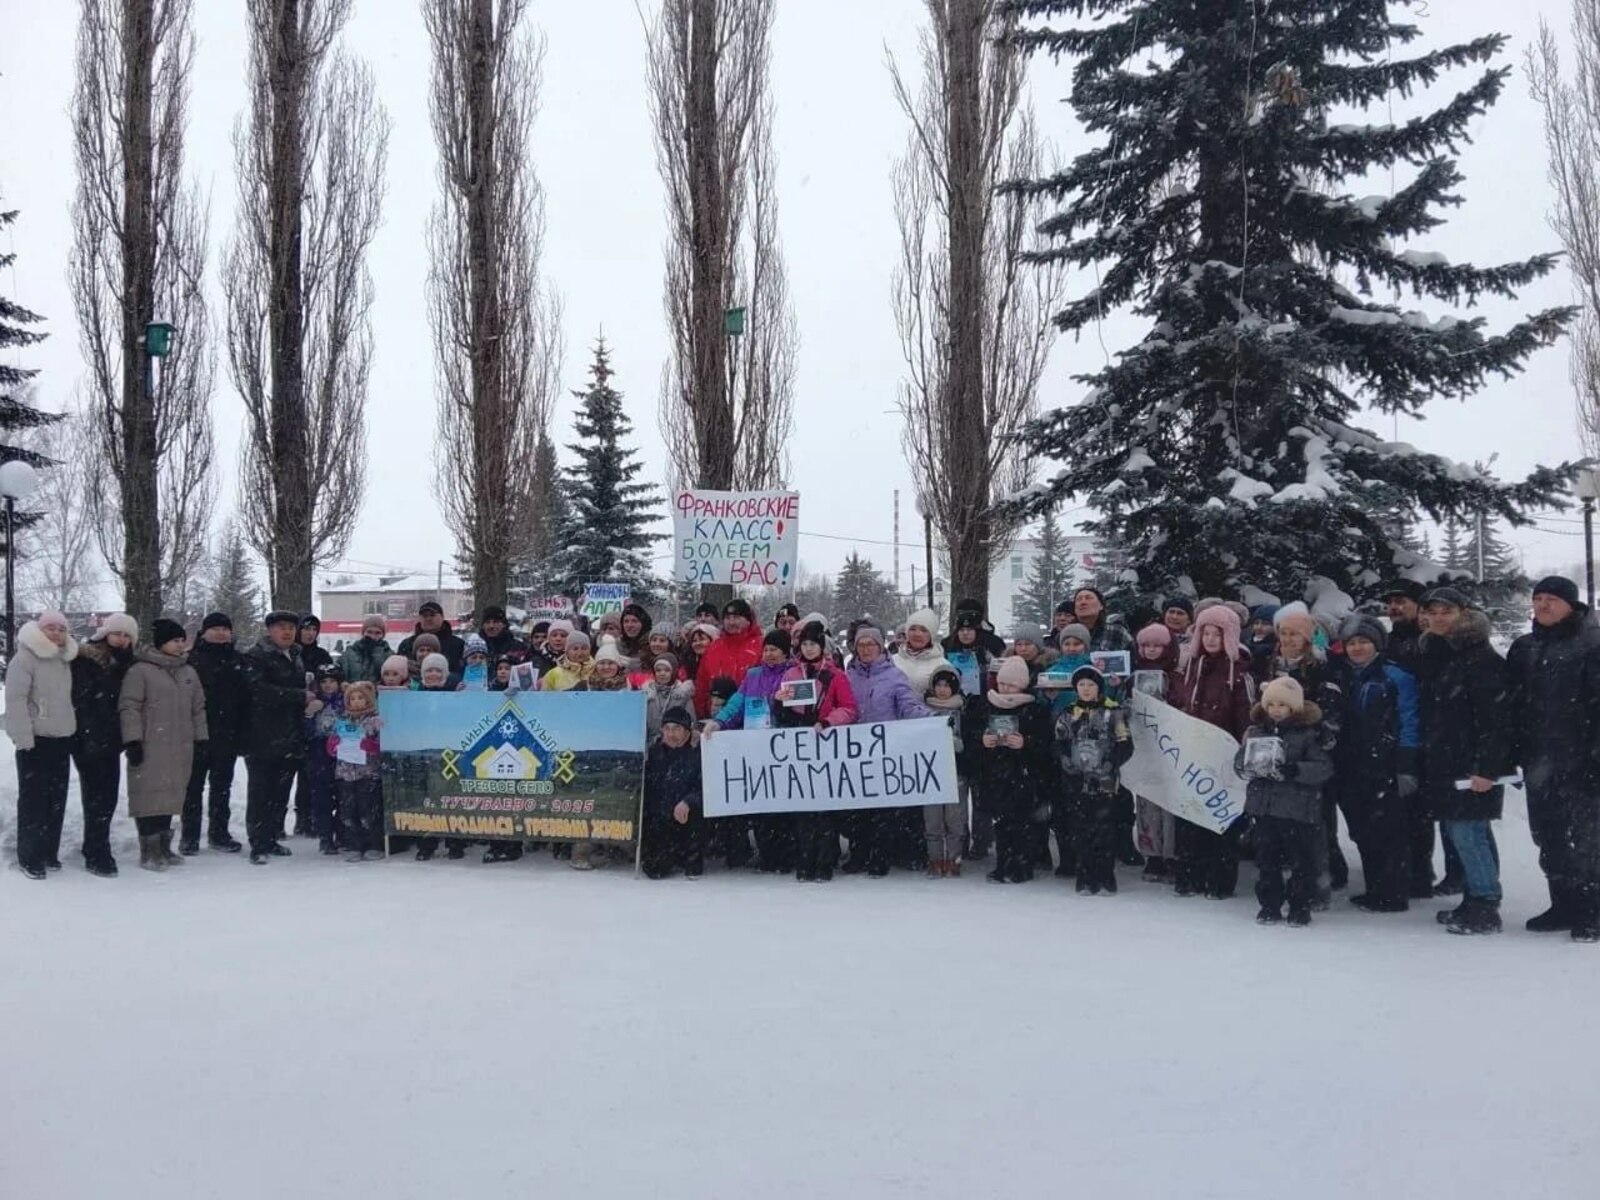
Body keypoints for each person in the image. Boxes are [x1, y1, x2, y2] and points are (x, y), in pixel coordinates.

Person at [1506, 576, 1600, 942]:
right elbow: (1511, 707)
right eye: (1538, 598)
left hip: (1583, 762)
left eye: (1552, 599)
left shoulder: (1592, 645)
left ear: (1570, 604)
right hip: (1539, 761)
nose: (1543, 605)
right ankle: (1562, 904)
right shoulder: (1524, 647)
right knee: (1549, 836)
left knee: (1587, 841)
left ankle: (1591, 910)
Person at [1416, 588, 1512, 935]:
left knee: (1468, 832)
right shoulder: (1440, 653)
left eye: (1447, 611)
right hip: (1448, 760)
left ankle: (1486, 905)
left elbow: (1496, 720)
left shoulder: (1480, 658)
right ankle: (1475, 897)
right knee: (1470, 831)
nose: (1439, 617)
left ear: (1464, 613)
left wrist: (1487, 768)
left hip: (1473, 764)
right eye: (1433, 611)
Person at [1333, 616, 1421, 914]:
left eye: (1363, 642)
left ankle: (1393, 892)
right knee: (1362, 829)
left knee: (1389, 831)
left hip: (1386, 764)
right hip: (1352, 764)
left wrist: (1406, 764)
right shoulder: (1344, 676)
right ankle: (1375, 888)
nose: (1357, 648)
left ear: (1377, 644)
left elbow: (1410, 720)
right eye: (1352, 643)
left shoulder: (1395, 676)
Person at [1236, 677, 1334, 927]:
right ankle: (1269, 905)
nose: (1276, 709)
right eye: (1272, 704)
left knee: (1302, 861)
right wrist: (1246, 765)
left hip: (1297, 810)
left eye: (1283, 704)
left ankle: (1300, 906)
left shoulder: (1309, 734)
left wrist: (1294, 770)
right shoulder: (1256, 732)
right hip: (1264, 809)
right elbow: (1239, 762)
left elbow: (1323, 768)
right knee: (1266, 861)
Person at [1267, 601, 1348, 898]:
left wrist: (1313, 742)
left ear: (1307, 638)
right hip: (1276, 756)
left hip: (1311, 759)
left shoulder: (1321, 669)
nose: (1287, 639)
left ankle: (1322, 880)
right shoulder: (1271, 664)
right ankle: (1296, 877)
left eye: (1294, 634)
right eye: (1283, 633)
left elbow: (1332, 717)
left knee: (1317, 823)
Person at [1172, 604, 1254, 898]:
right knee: (1190, 815)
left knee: (1221, 818)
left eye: (1216, 634)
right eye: (1205, 633)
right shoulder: (1190, 667)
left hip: (1222, 754)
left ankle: (1220, 879)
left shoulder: (1239, 672)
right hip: (1192, 753)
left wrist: (1242, 743)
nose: (1209, 639)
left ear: (1228, 636)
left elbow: (1246, 713)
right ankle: (1190, 874)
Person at [119, 619, 209, 872]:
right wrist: (133, 739)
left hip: (181, 745)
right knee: (149, 796)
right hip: (151, 744)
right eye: (174, 640)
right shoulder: (141, 671)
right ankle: (149, 850)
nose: (180, 645)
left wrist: (201, 738)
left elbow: (198, 709)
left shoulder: (188, 672)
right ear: (161, 643)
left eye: (182, 640)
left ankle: (164, 847)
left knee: (171, 796)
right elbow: (130, 706)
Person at [843, 625, 933, 876]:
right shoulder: (849, 676)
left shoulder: (894, 676)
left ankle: (879, 856)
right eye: (861, 645)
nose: (866, 649)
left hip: (885, 751)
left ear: (880, 646)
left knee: (882, 809)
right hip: (854, 751)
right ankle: (859, 853)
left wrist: (932, 719)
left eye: (871, 644)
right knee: (857, 807)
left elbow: (908, 705)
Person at [775, 621, 859, 882]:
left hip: (825, 744)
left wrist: (827, 721)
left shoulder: (835, 675)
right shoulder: (791, 674)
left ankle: (825, 860)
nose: (809, 649)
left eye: (813, 644)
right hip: (799, 744)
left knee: (824, 809)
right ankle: (805, 859)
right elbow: (783, 709)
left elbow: (848, 708)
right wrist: (778, 702)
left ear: (821, 647)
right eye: (805, 644)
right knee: (803, 810)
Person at [706, 629, 795, 872]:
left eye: (775, 650)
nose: (769, 654)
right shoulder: (753, 675)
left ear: (785, 652)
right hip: (755, 747)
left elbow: (800, 710)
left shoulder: (794, 673)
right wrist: (719, 721)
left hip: (783, 747)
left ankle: (786, 854)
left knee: (783, 804)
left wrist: (781, 703)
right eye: (766, 649)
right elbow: (737, 703)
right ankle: (766, 853)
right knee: (761, 803)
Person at [6, 612, 80, 879]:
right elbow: (15, 700)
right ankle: (30, 856)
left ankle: (49, 851)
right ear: (40, 630)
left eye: (62, 628)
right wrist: (24, 738)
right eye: (51, 627)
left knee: (55, 800)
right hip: (35, 741)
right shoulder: (25, 659)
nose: (57, 633)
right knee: (33, 801)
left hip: (61, 739)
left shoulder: (64, 660)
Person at [972, 656, 1054, 884]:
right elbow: (973, 734)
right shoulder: (986, 705)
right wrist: (983, 740)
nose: (1005, 688)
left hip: (1023, 774)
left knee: (1023, 824)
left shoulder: (1034, 708)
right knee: (1002, 823)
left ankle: (1022, 865)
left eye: (1011, 684)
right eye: (1002, 683)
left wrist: (1025, 743)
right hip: (995, 773)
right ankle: (1002, 864)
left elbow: (1045, 741)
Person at [1054, 665, 1133, 895]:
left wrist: (1113, 762)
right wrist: (1064, 758)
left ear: (1099, 688)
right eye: (1081, 685)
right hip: (1076, 780)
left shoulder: (1113, 712)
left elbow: (1125, 743)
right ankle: (1084, 874)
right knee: (1080, 828)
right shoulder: (1069, 713)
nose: (1086, 689)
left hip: (1105, 780)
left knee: (1105, 828)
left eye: (1091, 685)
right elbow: (1059, 741)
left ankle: (1105, 874)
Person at [69, 613, 137, 876]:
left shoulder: (128, 663)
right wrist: (87, 735)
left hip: (111, 740)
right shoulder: (85, 660)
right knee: (96, 795)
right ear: (105, 634)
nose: (121, 639)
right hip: (87, 737)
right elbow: (82, 699)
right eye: (117, 633)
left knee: (107, 797)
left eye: (127, 635)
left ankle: (96, 842)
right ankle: (97, 849)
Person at [244, 611, 311, 865]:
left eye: (291, 628)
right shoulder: (257, 656)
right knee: (260, 792)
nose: (287, 632)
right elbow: (258, 691)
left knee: (280, 792)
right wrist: (298, 696)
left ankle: (271, 837)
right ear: (270, 630)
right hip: (262, 735)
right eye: (281, 627)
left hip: (290, 735)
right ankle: (258, 843)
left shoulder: (295, 655)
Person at [182, 612, 250, 854]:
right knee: (192, 787)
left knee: (222, 787)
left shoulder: (238, 660)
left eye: (225, 628)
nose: (221, 633)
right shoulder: (190, 660)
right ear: (205, 632)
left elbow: (245, 698)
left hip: (228, 733)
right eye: (216, 628)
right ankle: (189, 836)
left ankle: (219, 833)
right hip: (196, 733)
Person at [1130, 622, 1182, 881]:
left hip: (1171, 744)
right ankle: (1151, 853)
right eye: (1146, 646)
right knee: (1147, 800)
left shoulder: (1177, 674)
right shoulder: (1134, 673)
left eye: (1156, 645)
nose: (1151, 651)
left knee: (1170, 802)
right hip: (1144, 744)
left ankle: (1172, 854)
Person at [320, 681, 385, 863]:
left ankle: (373, 844)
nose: (356, 702)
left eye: (361, 698)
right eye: (353, 698)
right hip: (346, 773)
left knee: (368, 811)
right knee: (348, 812)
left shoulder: (375, 721)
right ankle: (354, 844)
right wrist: (334, 746)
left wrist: (370, 746)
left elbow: (382, 745)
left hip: (368, 772)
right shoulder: (343, 721)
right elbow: (332, 746)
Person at [640, 706, 704, 879]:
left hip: (687, 816)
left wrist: (688, 801)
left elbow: (706, 787)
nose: (671, 734)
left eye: (676, 729)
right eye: (667, 729)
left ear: (687, 731)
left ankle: (692, 859)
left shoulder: (699, 753)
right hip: (660, 818)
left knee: (695, 811)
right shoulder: (654, 753)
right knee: (655, 869)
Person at [922, 664, 967, 877]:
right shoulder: (923, 710)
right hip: (930, 771)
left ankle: (954, 858)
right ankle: (935, 858)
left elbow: (969, 743)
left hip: (955, 771)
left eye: (947, 685)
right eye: (938, 685)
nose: (942, 690)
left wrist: (956, 743)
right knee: (932, 819)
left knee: (954, 818)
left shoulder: (962, 711)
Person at [693, 600, 765, 717]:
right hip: (717, 714)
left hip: (751, 715)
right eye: (727, 618)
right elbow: (702, 683)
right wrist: (701, 712)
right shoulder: (714, 647)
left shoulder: (761, 646)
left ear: (748, 620)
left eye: (736, 617)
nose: (731, 622)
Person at [305, 665, 345, 853]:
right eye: (324, 682)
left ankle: (342, 833)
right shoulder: (314, 703)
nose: (328, 686)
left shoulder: (346, 702)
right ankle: (325, 836)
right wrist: (309, 714)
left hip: (343, 754)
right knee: (322, 798)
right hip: (319, 754)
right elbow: (306, 732)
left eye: (332, 681)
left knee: (344, 796)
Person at [398, 601, 466, 674]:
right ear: (419, 618)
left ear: (442, 617)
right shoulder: (406, 645)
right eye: (425, 616)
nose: (428, 618)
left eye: (432, 615)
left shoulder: (458, 645)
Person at [643, 653, 696, 742]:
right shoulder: (647, 694)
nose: (662, 673)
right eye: (658, 670)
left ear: (674, 672)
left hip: (675, 742)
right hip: (651, 742)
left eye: (667, 670)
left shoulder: (682, 694)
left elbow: (691, 721)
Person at [337, 615, 393, 685]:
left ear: (383, 635)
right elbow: (339, 678)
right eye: (369, 632)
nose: (373, 637)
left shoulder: (389, 656)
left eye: (377, 633)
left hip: (379, 694)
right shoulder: (348, 654)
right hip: (354, 694)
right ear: (363, 632)